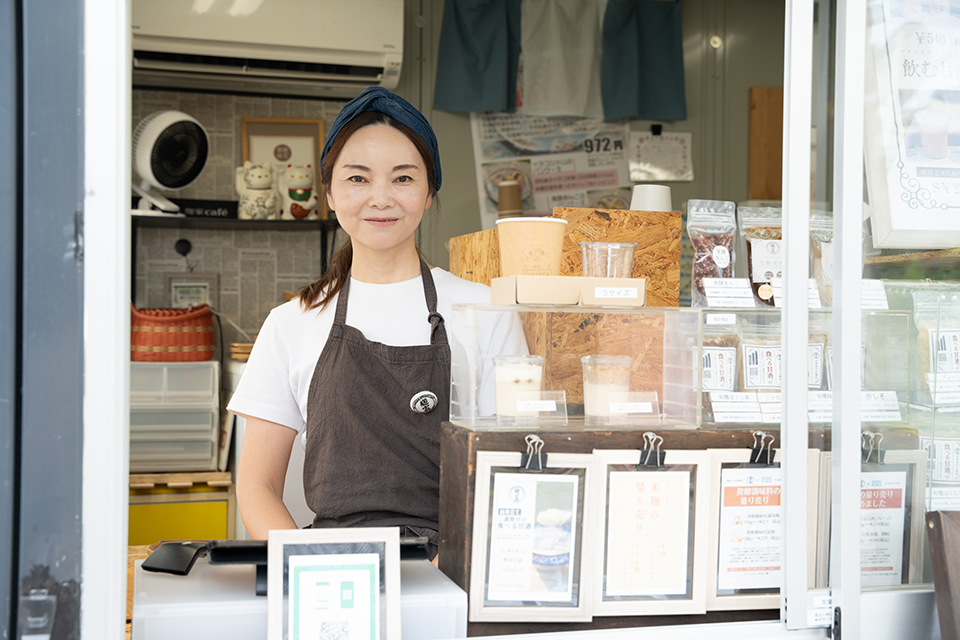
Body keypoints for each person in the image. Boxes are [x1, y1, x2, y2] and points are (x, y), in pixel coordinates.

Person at [228, 87, 525, 558]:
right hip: (334, 572)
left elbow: (511, 474)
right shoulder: (291, 323)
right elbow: (257, 488)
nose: (381, 198)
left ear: (429, 193)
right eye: (358, 179)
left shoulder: (487, 311)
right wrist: (306, 569)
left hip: (455, 569)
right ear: (329, 193)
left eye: (403, 178)